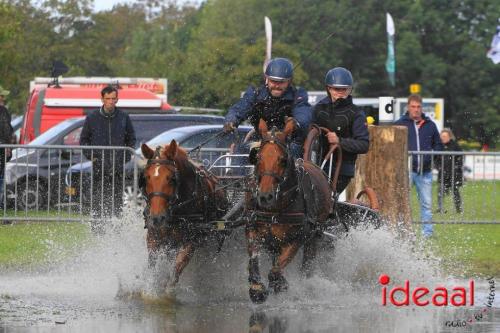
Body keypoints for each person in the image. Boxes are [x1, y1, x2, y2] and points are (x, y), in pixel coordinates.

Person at [223, 57, 311, 159]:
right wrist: (231, 120)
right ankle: (235, 175)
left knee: (293, 151)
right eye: (273, 81)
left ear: (289, 81)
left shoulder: (298, 94)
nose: (277, 86)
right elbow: (240, 107)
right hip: (260, 141)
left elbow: (303, 114)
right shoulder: (255, 93)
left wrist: (296, 123)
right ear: (267, 79)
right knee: (240, 151)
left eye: (281, 82)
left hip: (288, 141)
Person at [80, 86, 136, 225]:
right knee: (98, 199)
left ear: (117, 99)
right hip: (99, 167)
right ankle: (98, 229)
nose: (111, 101)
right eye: (108, 99)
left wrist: (125, 157)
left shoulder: (124, 117)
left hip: (118, 167)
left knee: (117, 200)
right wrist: (92, 156)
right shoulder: (92, 117)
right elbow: (84, 140)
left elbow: (131, 139)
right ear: (102, 99)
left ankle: (116, 228)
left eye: (113, 98)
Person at [310, 67, 369, 194]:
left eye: (344, 89)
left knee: (323, 198)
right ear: (329, 89)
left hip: (341, 169)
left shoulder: (357, 113)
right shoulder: (318, 109)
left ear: (350, 90)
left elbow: (364, 145)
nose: (340, 92)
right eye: (337, 89)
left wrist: (339, 141)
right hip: (316, 164)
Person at [395, 94, 442, 237]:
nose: (416, 109)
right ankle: (402, 231)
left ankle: (427, 233)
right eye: (413, 107)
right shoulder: (399, 124)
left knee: (426, 204)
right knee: (402, 202)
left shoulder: (430, 125)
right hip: (405, 171)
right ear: (408, 107)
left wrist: (431, 157)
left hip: (425, 171)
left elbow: (438, 145)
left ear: (422, 108)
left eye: (418, 107)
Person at [435, 128, 463, 214]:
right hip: (443, 173)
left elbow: (460, 158)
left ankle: (458, 208)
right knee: (440, 192)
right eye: (441, 136)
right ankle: (440, 208)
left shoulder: (455, 146)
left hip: (454, 173)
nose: (443, 138)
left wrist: (456, 167)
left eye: (445, 136)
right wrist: (438, 167)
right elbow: (435, 158)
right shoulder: (439, 146)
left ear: (449, 136)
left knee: (455, 191)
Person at [0, 85, 13, 214]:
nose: (3, 98)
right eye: (2, 96)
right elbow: (6, 131)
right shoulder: (3, 111)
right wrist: (8, 145)